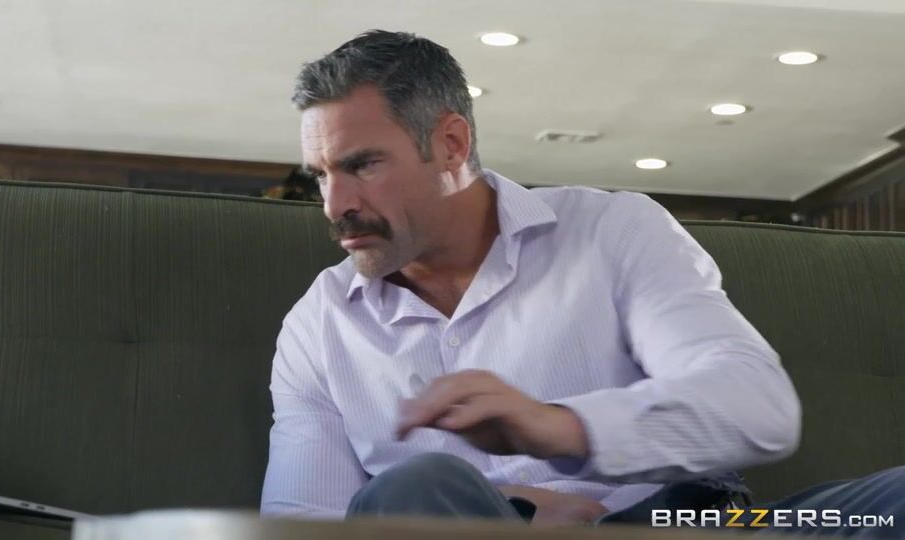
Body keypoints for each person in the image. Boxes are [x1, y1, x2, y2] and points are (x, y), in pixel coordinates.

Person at [261, 30, 903, 535]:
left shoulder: (612, 229)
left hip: (682, 524)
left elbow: (757, 407)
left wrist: (560, 428)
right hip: (451, 524)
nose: (335, 204)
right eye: (321, 175)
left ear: (451, 144)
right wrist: (515, 513)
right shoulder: (318, 324)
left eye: (362, 165)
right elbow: (301, 527)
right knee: (416, 488)